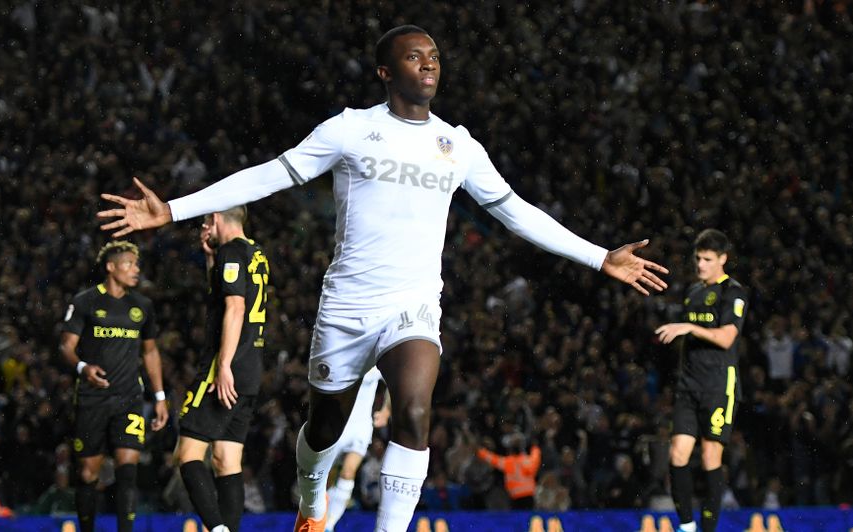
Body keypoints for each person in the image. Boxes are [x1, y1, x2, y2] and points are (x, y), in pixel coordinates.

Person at [98, 24, 669, 532]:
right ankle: (311, 497)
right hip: (347, 306)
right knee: (323, 429)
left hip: (414, 306)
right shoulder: (349, 130)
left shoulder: (458, 146)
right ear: (385, 71)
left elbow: (516, 209)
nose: (428, 63)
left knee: (415, 410)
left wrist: (600, 257)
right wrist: (173, 209)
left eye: (435, 57)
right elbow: (271, 175)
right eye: (415, 56)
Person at [60, 240, 169, 532]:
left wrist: (159, 396)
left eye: (137, 265)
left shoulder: (142, 306)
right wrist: (83, 368)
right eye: (129, 264)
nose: (136, 270)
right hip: (92, 397)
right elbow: (66, 347)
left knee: (128, 471)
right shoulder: (85, 302)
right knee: (88, 474)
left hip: (129, 398)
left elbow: (150, 352)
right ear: (111, 267)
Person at [176, 206, 269, 532]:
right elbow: (227, 294)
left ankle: (216, 529)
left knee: (187, 455)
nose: (204, 227)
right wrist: (211, 262)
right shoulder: (255, 253)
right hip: (251, 368)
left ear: (215, 219)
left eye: (205, 221)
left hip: (224, 367)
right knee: (226, 460)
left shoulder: (231, 251)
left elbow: (235, 306)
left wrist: (224, 365)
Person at [656, 229, 748, 532]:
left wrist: (689, 328)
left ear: (723, 259)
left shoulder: (732, 292)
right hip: (688, 385)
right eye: (698, 258)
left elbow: (726, 338)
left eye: (707, 259)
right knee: (677, 454)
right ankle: (686, 527)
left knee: (711, 455)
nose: (701, 265)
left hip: (718, 385)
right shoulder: (693, 292)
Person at [325, 367, 389, 532]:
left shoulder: (377, 363)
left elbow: (394, 380)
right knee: (325, 478)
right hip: (337, 426)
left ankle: (329, 524)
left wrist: (386, 411)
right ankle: (316, 519)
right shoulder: (344, 356)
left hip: (361, 427)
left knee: (348, 473)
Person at [476, 433, 541, 509]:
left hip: (516, 497)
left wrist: (480, 451)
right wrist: (535, 448)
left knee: (517, 519)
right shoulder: (529, 461)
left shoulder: (509, 462)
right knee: (527, 518)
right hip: (529, 496)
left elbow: (493, 459)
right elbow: (536, 458)